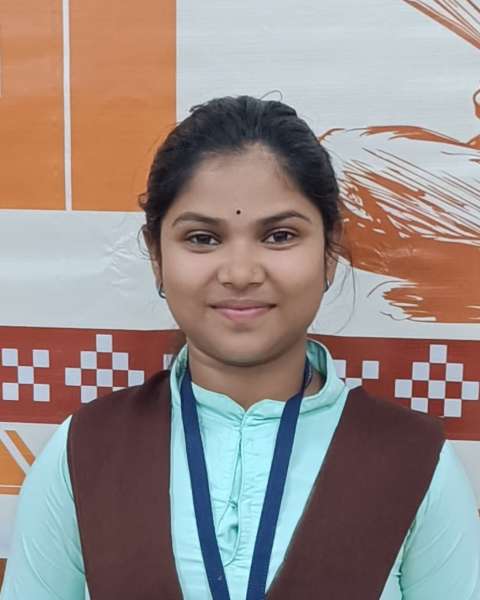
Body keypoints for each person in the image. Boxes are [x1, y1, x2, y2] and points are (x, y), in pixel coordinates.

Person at [1, 95, 479, 599]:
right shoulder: (86, 452)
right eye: (203, 239)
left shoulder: (415, 462)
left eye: (279, 235)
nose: (241, 273)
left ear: (329, 252)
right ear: (157, 257)